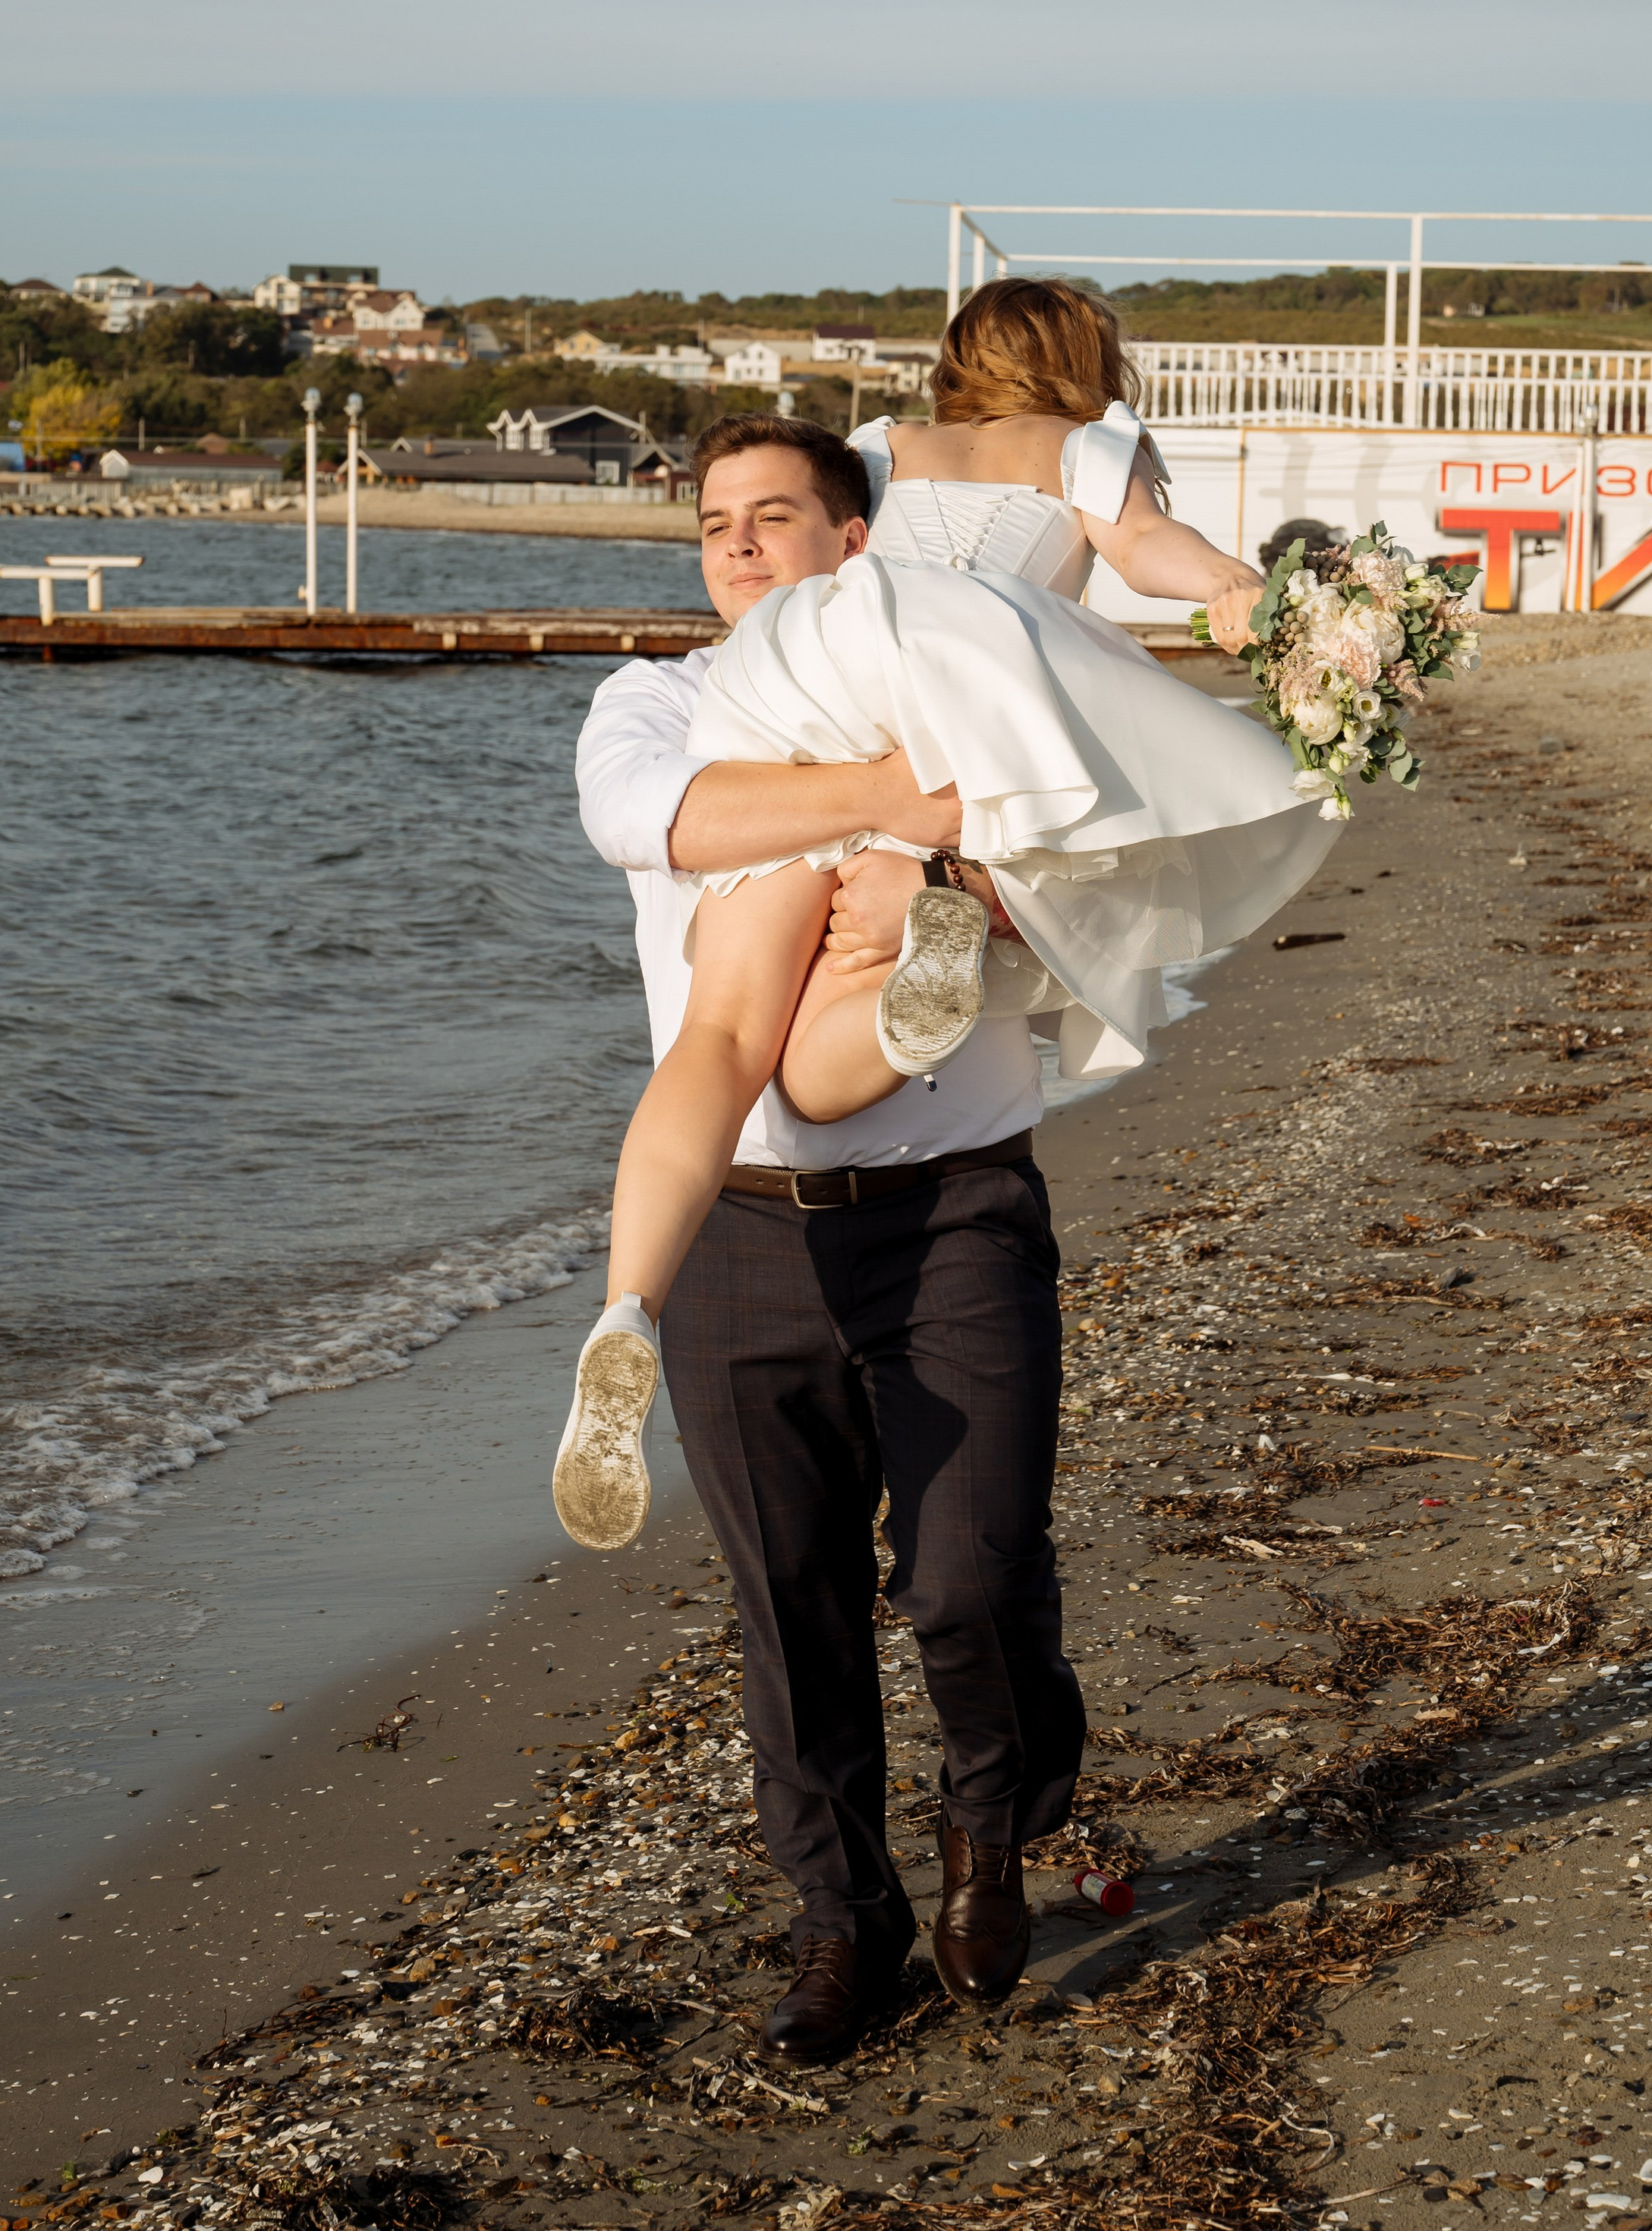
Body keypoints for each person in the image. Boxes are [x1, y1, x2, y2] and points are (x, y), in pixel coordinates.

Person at [555, 281, 1333, 1562]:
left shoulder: (878, 451)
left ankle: (627, 1307)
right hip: (960, 708)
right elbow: (1147, 558)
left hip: (802, 687)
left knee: (727, 1035)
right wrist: (1248, 596)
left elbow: (830, 554)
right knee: (839, 1029)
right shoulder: (1095, 444)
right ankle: (949, 920)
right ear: (1090, 360)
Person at [571, 411, 1084, 2053]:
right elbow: (654, 822)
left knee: (967, 1574)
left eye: (772, 515)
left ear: (851, 543)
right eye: (712, 521)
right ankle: (835, 1932)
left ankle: (990, 1820)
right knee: (787, 1605)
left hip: (953, 1206)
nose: (734, 544)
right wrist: (884, 795)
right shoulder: (652, 704)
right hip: (745, 1223)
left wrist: (985, 882)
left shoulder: (970, 681)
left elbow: (1099, 863)